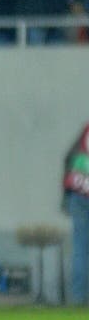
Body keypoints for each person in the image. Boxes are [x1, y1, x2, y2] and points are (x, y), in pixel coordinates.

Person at [63, 122, 89, 305]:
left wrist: (66, 196)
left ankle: (79, 298)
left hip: (78, 192)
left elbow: (68, 158)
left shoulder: (86, 130)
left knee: (80, 249)